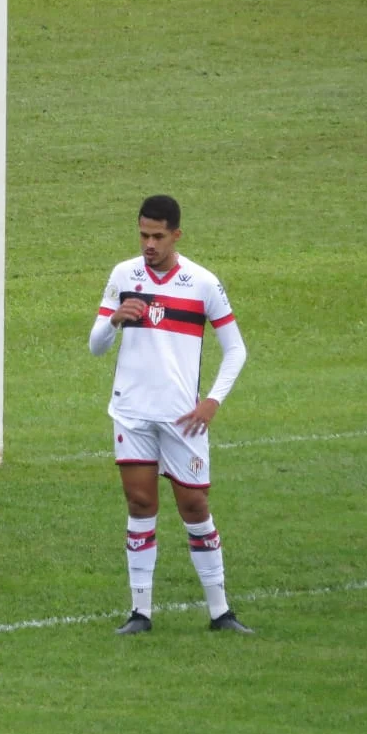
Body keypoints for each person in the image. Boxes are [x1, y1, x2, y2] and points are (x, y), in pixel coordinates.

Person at [89, 194, 252, 634]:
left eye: (158, 236)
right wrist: (114, 320)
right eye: (143, 234)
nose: (149, 244)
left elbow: (236, 348)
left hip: (184, 418)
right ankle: (140, 612)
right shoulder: (124, 275)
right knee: (140, 504)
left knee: (195, 506)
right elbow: (96, 345)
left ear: (176, 234)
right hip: (132, 412)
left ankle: (221, 613)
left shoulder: (202, 283)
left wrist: (212, 401)